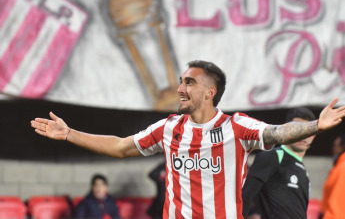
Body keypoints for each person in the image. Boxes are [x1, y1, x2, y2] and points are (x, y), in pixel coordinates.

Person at [31, 60, 345, 219]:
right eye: (181, 81)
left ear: (210, 92)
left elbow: (277, 133)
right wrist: (70, 133)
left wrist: (317, 125)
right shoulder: (168, 128)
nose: (181, 88)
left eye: (189, 82)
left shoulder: (237, 126)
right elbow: (121, 146)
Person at [242, 107, 317, 219]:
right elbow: (245, 196)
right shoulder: (272, 156)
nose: (303, 134)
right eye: (298, 128)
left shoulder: (303, 171)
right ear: (286, 129)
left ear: (314, 135)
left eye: (308, 130)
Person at [319, 134, 345, 219]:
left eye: (335, 146)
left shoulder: (342, 167)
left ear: (343, 147)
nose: (333, 150)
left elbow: (337, 204)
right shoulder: (339, 166)